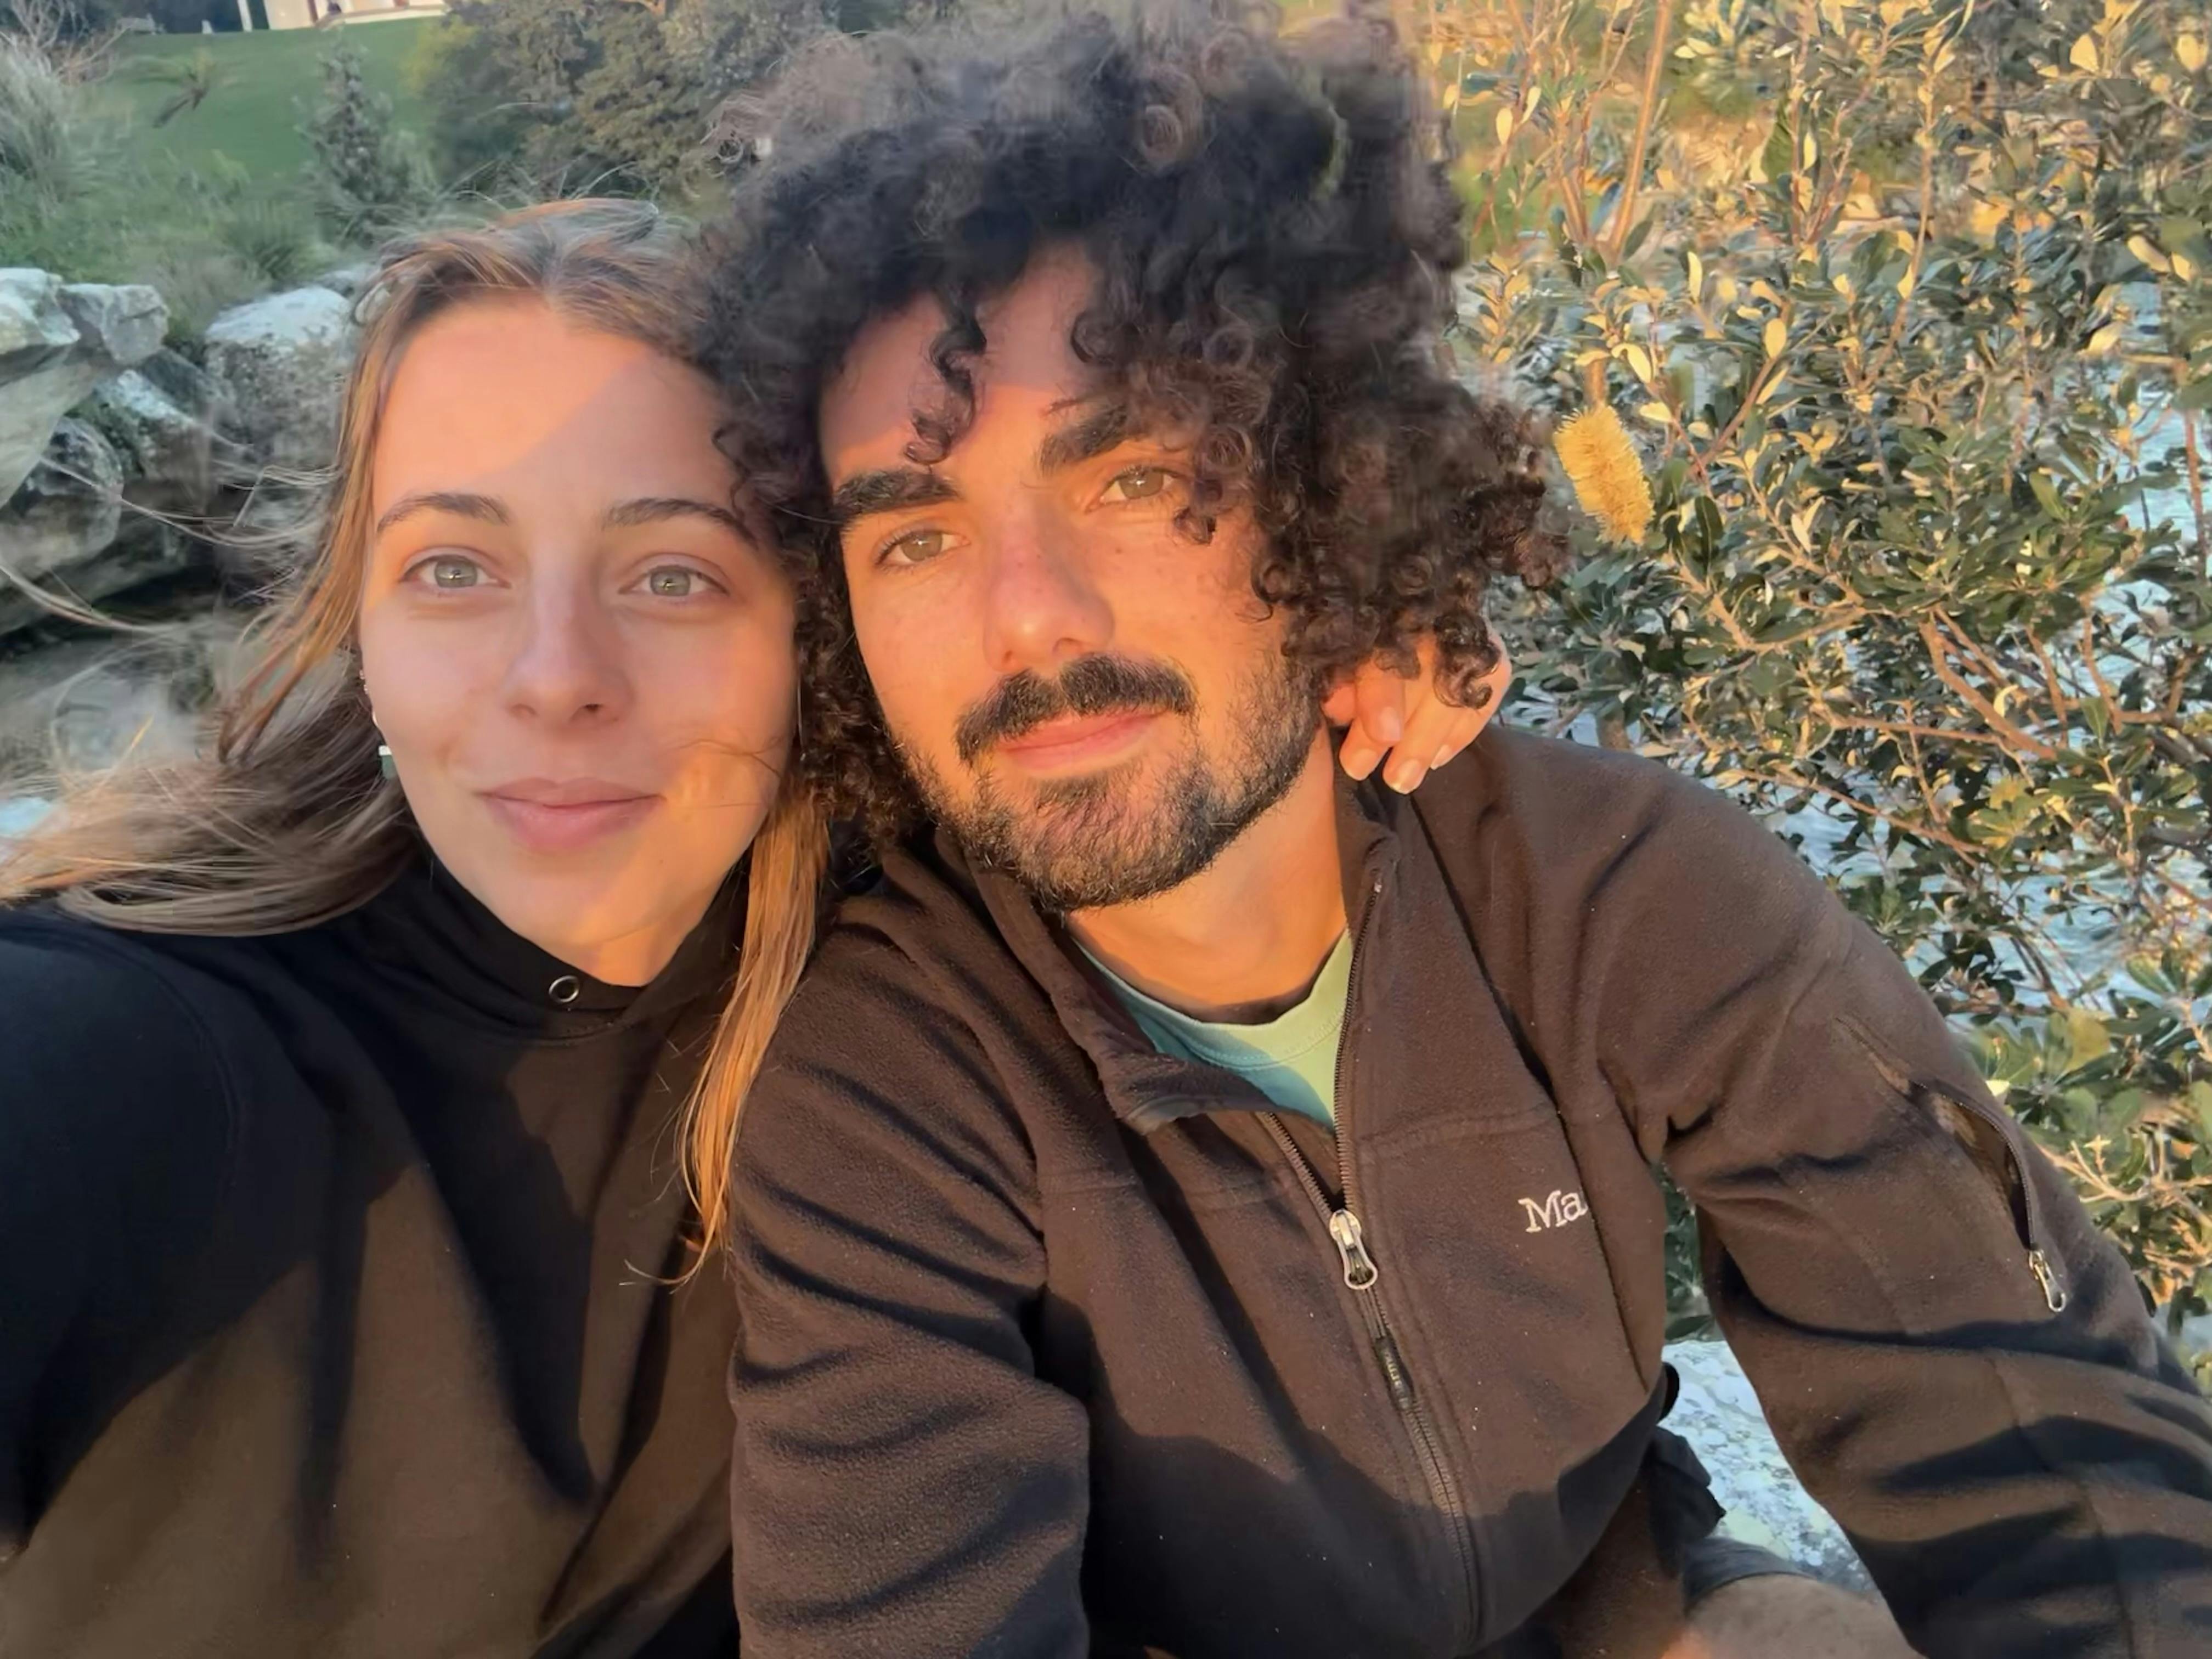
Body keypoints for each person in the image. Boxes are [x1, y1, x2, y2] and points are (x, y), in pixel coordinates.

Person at [699, 8, 2212, 1657]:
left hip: (1619, 1600)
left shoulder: (1611, 896)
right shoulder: (884, 1088)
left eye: (1130, 480)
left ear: (1325, 483)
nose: (1028, 619)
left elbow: (2039, 1433)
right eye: (914, 538)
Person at [0, 200, 1474, 1659]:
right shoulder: (118, 1054)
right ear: (359, 627)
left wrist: (1357, 637)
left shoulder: (921, 987)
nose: (555, 678)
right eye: (452, 568)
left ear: (814, 639)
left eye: (674, 575)